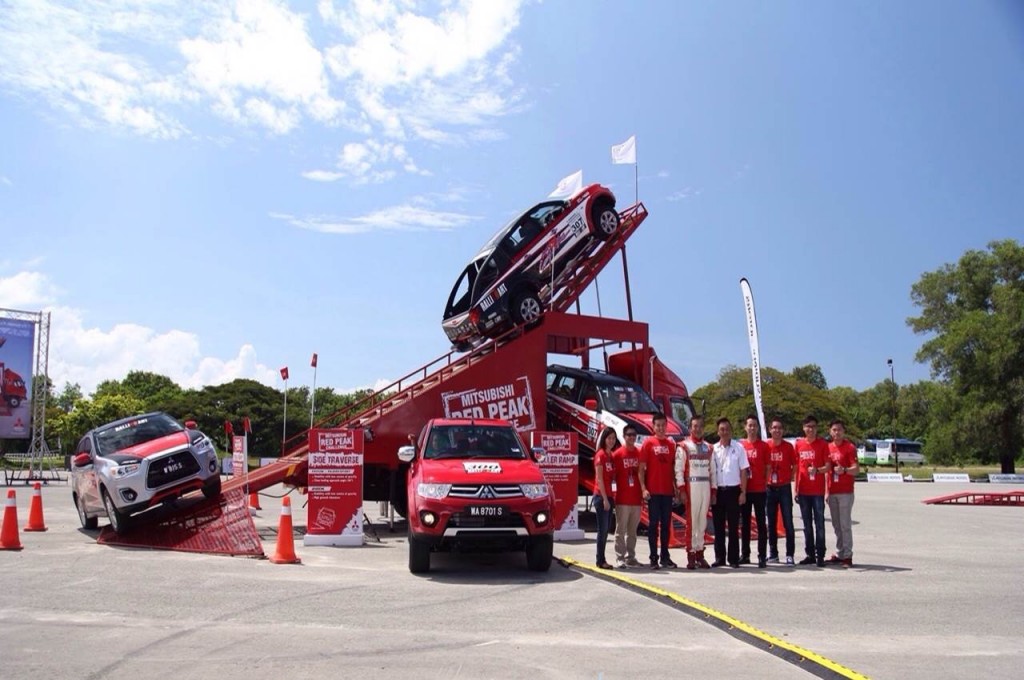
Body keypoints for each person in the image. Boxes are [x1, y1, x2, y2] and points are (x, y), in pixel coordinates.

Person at [675, 415, 716, 569]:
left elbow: (713, 472)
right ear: (690, 427)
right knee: (692, 522)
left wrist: (714, 491)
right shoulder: (683, 446)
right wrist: (681, 489)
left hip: (705, 486)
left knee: (702, 522)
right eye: (694, 426)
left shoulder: (709, 447)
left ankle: (700, 553)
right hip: (691, 486)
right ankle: (691, 554)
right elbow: (678, 470)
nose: (697, 429)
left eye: (700, 426)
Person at [638, 412, 678, 569]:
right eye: (658, 425)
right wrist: (643, 488)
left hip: (667, 492)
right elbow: (641, 469)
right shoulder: (648, 444)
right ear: (653, 427)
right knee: (653, 525)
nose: (661, 428)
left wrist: (676, 488)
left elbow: (674, 468)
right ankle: (653, 557)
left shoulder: (671, 445)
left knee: (666, 525)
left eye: (663, 425)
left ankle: (665, 556)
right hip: (653, 492)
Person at [711, 417, 750, 568]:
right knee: (718, 527)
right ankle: (720, 558)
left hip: (734, 491)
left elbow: (743, 471)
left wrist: (743, 492)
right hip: (718, 491)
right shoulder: (713, 449)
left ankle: (733, 558)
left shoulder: (739, 448)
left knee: (733, 527)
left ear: (731, 431)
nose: (724, 432)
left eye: (727, 429)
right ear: (718, 431)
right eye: (722, 429)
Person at [794, 415, 831, 567]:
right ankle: (810, 554)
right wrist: (795, 489)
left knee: (820, 524)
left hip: (817, 491)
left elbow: (828, 467)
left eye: (813, 426)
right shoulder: (799, 444)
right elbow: (797, 469)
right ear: (803, 428)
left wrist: (817, 470)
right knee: (806, 525)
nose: (810, 429)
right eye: (808, 426)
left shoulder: (822, 444)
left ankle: (820, 554)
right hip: (803, 491)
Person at [765, 418, 798, 565]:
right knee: (771, 523)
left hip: (784, 488)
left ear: (783, 431)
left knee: (788, 522)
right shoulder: (766, 446)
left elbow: (795, 466)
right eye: (774, 428)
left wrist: (789, 478)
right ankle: (773, 553)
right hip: (769, 488)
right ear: (770, 430)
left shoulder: (788, 447)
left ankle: (790, 554)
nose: (777, 431)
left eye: (779, 428)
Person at [739, 415, 771, 568]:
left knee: (760, 525)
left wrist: (764, 483)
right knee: (745, 524)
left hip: (759, 490)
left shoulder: (764, 446)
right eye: (749, 425)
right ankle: (745, 555)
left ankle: (762, 556)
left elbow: (767, 468)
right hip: (745, 490)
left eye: (754, 425)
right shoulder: (740, 446)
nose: (752, 428)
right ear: (745, 427)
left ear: (758, 428)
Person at [826, 419, 859, 567]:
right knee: (836, 524)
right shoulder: (828, 448)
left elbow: (856, 469)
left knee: (845, 524)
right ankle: (840, 552)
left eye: (839, 429)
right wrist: (826, 492)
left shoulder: (849, 448)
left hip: (845, 492)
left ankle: (848, 555)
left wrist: (845, 470)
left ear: (843, 431)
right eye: (834, 430)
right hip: (832, 491)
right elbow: (827, 472)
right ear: (830, 432)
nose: (836, 432)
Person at [612, 426, 643, 568]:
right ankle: (620, 557)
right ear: (624, 437)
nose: (631, 437)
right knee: (621, 530)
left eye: (634, 435)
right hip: (622, 499)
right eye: (629, 435)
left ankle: (631, 556)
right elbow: (611, 476)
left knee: (632, 531)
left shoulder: (639, 453)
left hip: (636, 499)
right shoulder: (617, 455)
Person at [593, 427, 618, 570]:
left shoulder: (611, 456)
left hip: (610, 495)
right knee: (602, 530)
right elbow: (600, 479)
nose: (611, 441)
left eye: (614, 438)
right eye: (609, 438)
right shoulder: (600, 455)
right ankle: (600, 560)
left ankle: (602, 559)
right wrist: (605, 499)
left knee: (606, 529)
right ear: (604, 439)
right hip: (601, 497)